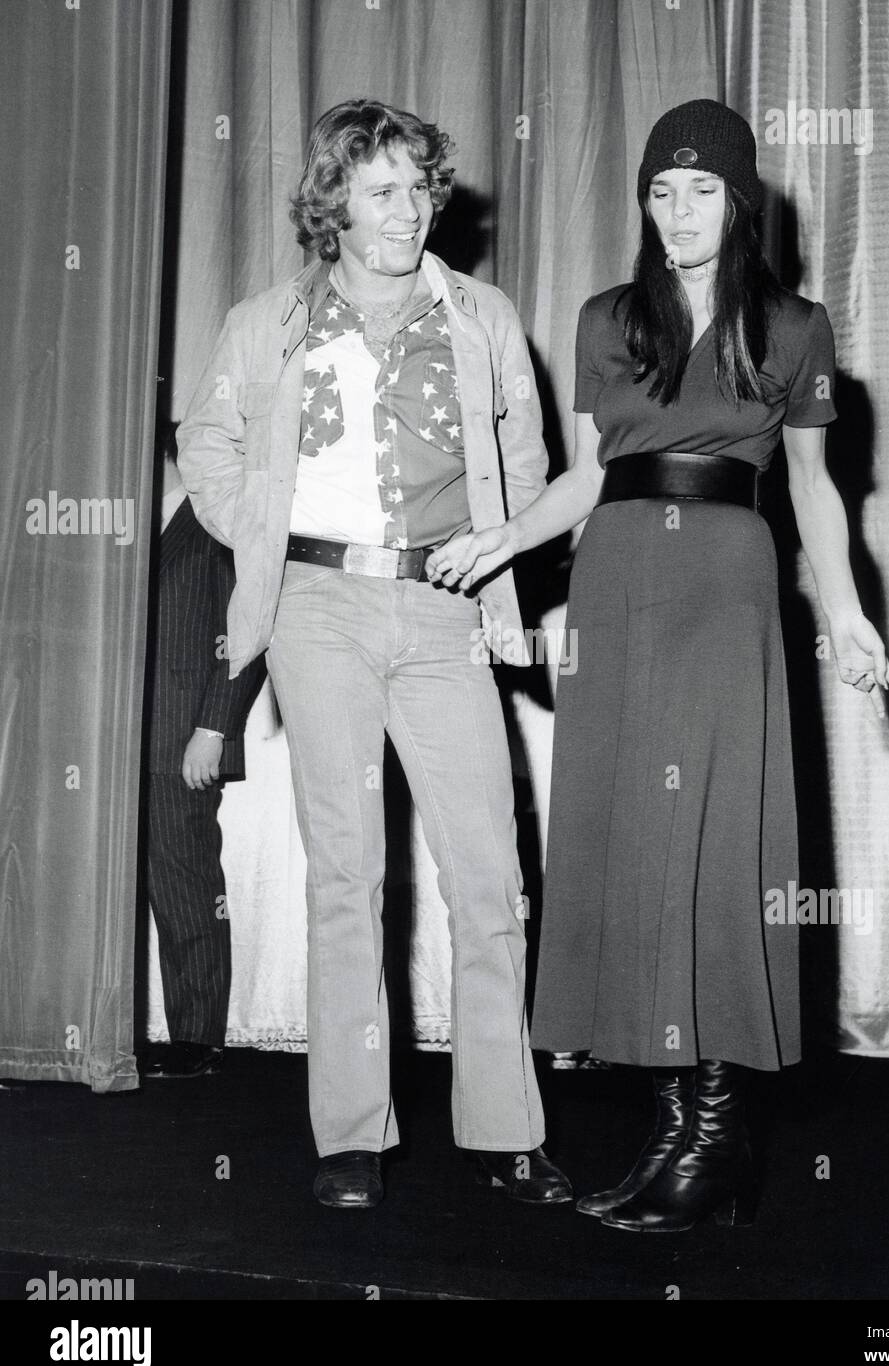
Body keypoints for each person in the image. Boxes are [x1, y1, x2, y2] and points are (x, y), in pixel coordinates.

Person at [427, 99, 889, 1233]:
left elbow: (811, 488)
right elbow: (596, 475)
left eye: (699, 191)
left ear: (739, 202)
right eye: (658, 191)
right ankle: (674, 1131)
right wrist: (506, 535)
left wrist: (844, 616)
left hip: (723, 585)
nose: (677, 213)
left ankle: (716, 1136)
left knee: (710, 846)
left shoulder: (792, 326)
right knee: (628, 843)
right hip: (616, 579)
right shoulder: (608, 318)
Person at [177, 99, 571, 1210]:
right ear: (334, 204)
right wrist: (254, 526)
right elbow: (207, 436)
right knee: (348, 875)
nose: (410, 212)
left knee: (490, 877)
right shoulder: (269, 319)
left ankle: (503, 1130)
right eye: (383, 191)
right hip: (318, 609)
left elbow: (529, 461)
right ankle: (352, 1135)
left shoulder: (480, 314)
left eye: (421, 188)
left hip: (446, 613)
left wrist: (498, 548)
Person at [143, 421, 264, 1080]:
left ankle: (197, 1039)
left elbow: (246, 634)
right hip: (111, 748)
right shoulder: (120, 526)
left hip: (181, 740)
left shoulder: (217, 522)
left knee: (186, 886)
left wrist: (213, 729)